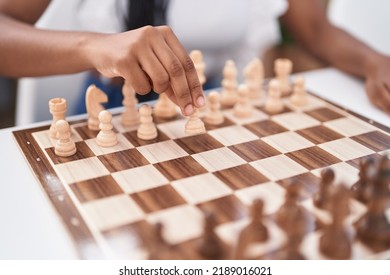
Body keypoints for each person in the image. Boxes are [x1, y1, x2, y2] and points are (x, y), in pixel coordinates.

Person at [0, 0, 390, 116]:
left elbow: (317, 30)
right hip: (119, 113)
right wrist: (93, 46)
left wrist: (375, 62)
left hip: (225, 107)